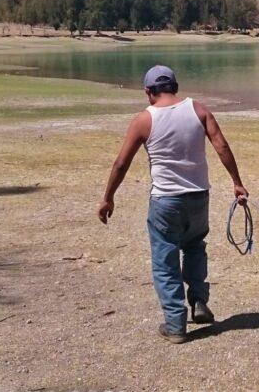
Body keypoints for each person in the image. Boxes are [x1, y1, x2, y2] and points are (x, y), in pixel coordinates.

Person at [97, 65, 248, 344]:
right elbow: (222, 146)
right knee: (194, 248)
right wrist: (236, 182)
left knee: (165, 260)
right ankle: (199, 301)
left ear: (148, 91)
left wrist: (108, 197)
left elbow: (121, 162)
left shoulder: (144, 119)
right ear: (175, 86)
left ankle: (176, 324)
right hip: (199, 197)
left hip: (165, 201)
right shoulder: (199, 110)